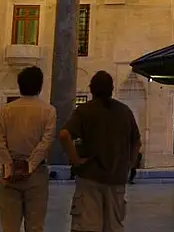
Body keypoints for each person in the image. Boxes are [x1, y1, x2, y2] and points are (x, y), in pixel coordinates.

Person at [59, 71, 141, 232]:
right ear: (112, 88)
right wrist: (129, 165)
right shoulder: (124, 111)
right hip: (117, 179)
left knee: (88, 226)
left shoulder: (85, 111)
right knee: (114, 227)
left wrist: (75, 159)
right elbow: (137, 142)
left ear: (92, 89)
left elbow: (64, 134)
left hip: (90, 178)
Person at [0, 66, 56, 232]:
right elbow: (46, 141)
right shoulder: (48, 111)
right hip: (36, 173)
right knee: (35, 226)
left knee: (9, 227)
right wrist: (30, 165)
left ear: (19, 85)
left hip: (9, 174)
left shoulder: (5, 111)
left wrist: (9, 166)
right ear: (40, 86)